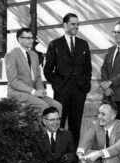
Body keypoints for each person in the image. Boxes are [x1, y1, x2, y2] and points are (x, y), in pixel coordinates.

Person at [44, 13, 92, 145]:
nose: (76, 26)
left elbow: (88, 68)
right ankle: (57, 154)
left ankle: (73, 156)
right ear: (65, 25)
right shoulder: (55, 44)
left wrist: (86, 85)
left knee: (75, 126)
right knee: (57, 125)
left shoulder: (83, 44)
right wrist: (56, 85)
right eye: (73, 24)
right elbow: (48, 70)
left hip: (79, 91)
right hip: (62, 91)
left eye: (78, 24)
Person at [5, 28, 62, 117]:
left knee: (58, 106)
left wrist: (41, 90)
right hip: (19, 93)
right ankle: (42, 131)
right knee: (44, 106)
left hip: (33, 92)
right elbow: (13, 82)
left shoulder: (34, 55)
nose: (31, 40)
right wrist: (33, 91)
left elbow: (38, 77)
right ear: (19, 39)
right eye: (28, 38)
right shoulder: (11, 55)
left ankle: (53, 131)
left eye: (32, 38)